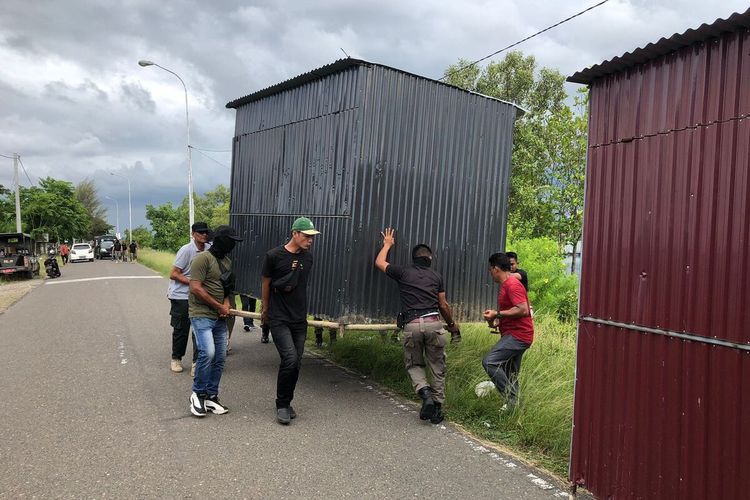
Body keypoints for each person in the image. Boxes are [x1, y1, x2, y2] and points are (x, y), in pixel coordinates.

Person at [375, 228, 461, 424]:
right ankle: (437, 409)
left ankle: (425, 395)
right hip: (434, 324)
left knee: (414, 364)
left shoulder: (403, 272)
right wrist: (452, 325)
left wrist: (387, 244)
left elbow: (379, 262)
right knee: (437, 367)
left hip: (412, 324)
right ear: (429, 259)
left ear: (414, 259)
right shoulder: (436, 277)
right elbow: (443, 305)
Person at [261, 217, 319, 425]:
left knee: (297, 363)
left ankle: (287, 400)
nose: (310, 240)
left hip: (299, 318)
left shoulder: (309, 258)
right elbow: (266, 282)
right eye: (307, 236)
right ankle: (282, 405)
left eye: (312, 237)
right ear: (295, 233)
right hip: (278, 317)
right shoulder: (273, 256)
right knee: (290, 359)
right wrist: (265, 308)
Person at [188, 225, 243, 417]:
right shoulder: (202, 259)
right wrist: (218, 306)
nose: (233, 246)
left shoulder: (226, 261)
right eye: (231, 242)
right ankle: (198, 394)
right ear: (220, 240)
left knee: (220, 357)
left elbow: (228, 288)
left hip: (220, 317)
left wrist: (226, 305)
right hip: (201, 313)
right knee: (208, 352)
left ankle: (212, 396)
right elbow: (195, 287)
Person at [482, 252, 534, 411]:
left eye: (490, 270)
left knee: (490, 361)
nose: (490, 273)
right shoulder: (508, 284)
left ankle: (510, 398)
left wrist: (497, 314)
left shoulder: (512, 284)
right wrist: (499, 321)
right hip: (516, 333)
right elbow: (515, 310)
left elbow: (523, 309)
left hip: (519, 336)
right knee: (510, 372)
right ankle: (514, 408)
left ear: (496, 268)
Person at [167, 222, 211, 374]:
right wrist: (193, 283)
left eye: (206, 232)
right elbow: (174, 273)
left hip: (200, 295)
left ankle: (197, 363)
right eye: (200, 232)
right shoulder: (186, 250)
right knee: (181, 328)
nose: (204, 235)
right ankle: (176, 358)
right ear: (193, 234)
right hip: (181, 295)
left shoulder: (209, 249)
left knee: (200, 329)